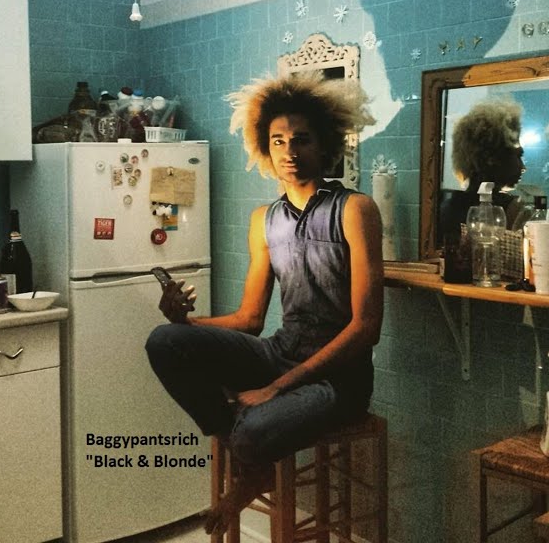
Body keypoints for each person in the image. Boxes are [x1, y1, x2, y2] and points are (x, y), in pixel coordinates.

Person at [144, 73, 384, 536]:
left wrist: (277, 388)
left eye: (302, 140)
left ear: (325, 144)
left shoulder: (355, 209)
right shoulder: (265, 220)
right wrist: (185, 320)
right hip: (279, 353)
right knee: (165, 341)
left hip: (339, 380)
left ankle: (248, 459)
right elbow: (250, 320)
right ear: (265, 149)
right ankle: (251, 464)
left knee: (253, 428)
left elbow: (366, 328)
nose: (289, 152)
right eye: (278, 142)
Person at [437, 98, 531, 248]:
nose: (523, 167)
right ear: (493, 158)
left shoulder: (447, 208)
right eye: (518, 156)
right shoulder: (514, 211)